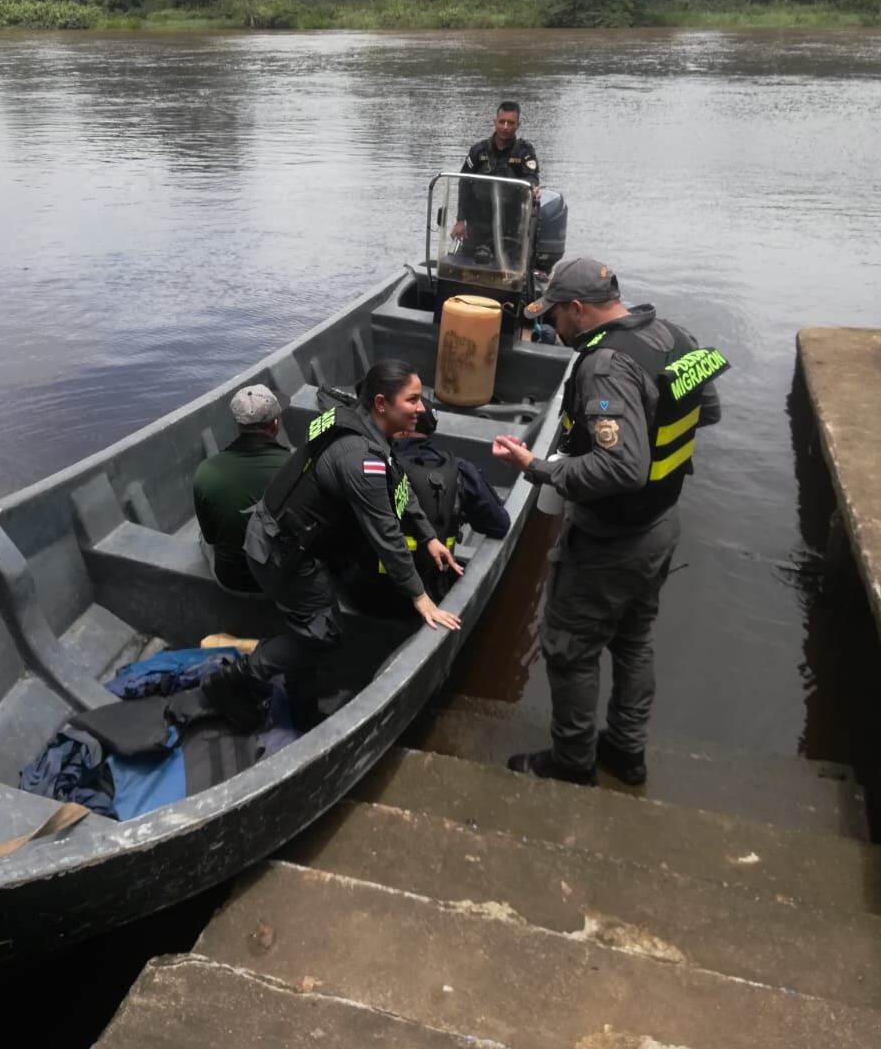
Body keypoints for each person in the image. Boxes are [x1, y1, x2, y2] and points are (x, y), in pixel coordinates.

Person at [492, 257, 728, 787]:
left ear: (578, 309)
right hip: (662, 524)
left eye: (555, 316)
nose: (552, 326)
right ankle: (625, 749)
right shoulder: (674, 333)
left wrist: (537, 467)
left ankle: (573, 762)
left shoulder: (603, 366)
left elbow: (620, 466)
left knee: (568, 647)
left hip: (611, 540)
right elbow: (708, 409)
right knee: (634, 641)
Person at [203, 361, 462, 731]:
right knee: (323, 633)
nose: (421, 409)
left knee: (311, 627)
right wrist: (419, 596)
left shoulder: (360, 425)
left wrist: (429, 537)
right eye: (413, 399)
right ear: (381, 404)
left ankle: (299, 704)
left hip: (285, 539)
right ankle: (234, 680)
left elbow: (398, 484)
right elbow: (385, 531)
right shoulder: (360, 460)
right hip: (281, 553)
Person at [337, 400, 510, 609]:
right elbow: (499, 524)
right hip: (432, 594)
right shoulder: (460, 471)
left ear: (400, 432)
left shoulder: (367, 465)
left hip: (366, 594)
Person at [193, 384, 291, 593]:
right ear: (275, 425)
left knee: (202, 535)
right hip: (281, 582)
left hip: (232, 580)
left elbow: (211, 538)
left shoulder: (205, 471)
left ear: (238, 425)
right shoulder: (295, 467)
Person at [452, 100, 540, 250]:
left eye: (510, 123)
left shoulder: (524, 152)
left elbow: (532, 177)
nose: (505, 127)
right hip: (478, 222)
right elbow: (464, 183)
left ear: (518, 125)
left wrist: (531, 187)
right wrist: (460, 220)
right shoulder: (478, 151)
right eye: (502, 122)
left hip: (510, 224)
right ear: (495, 122)